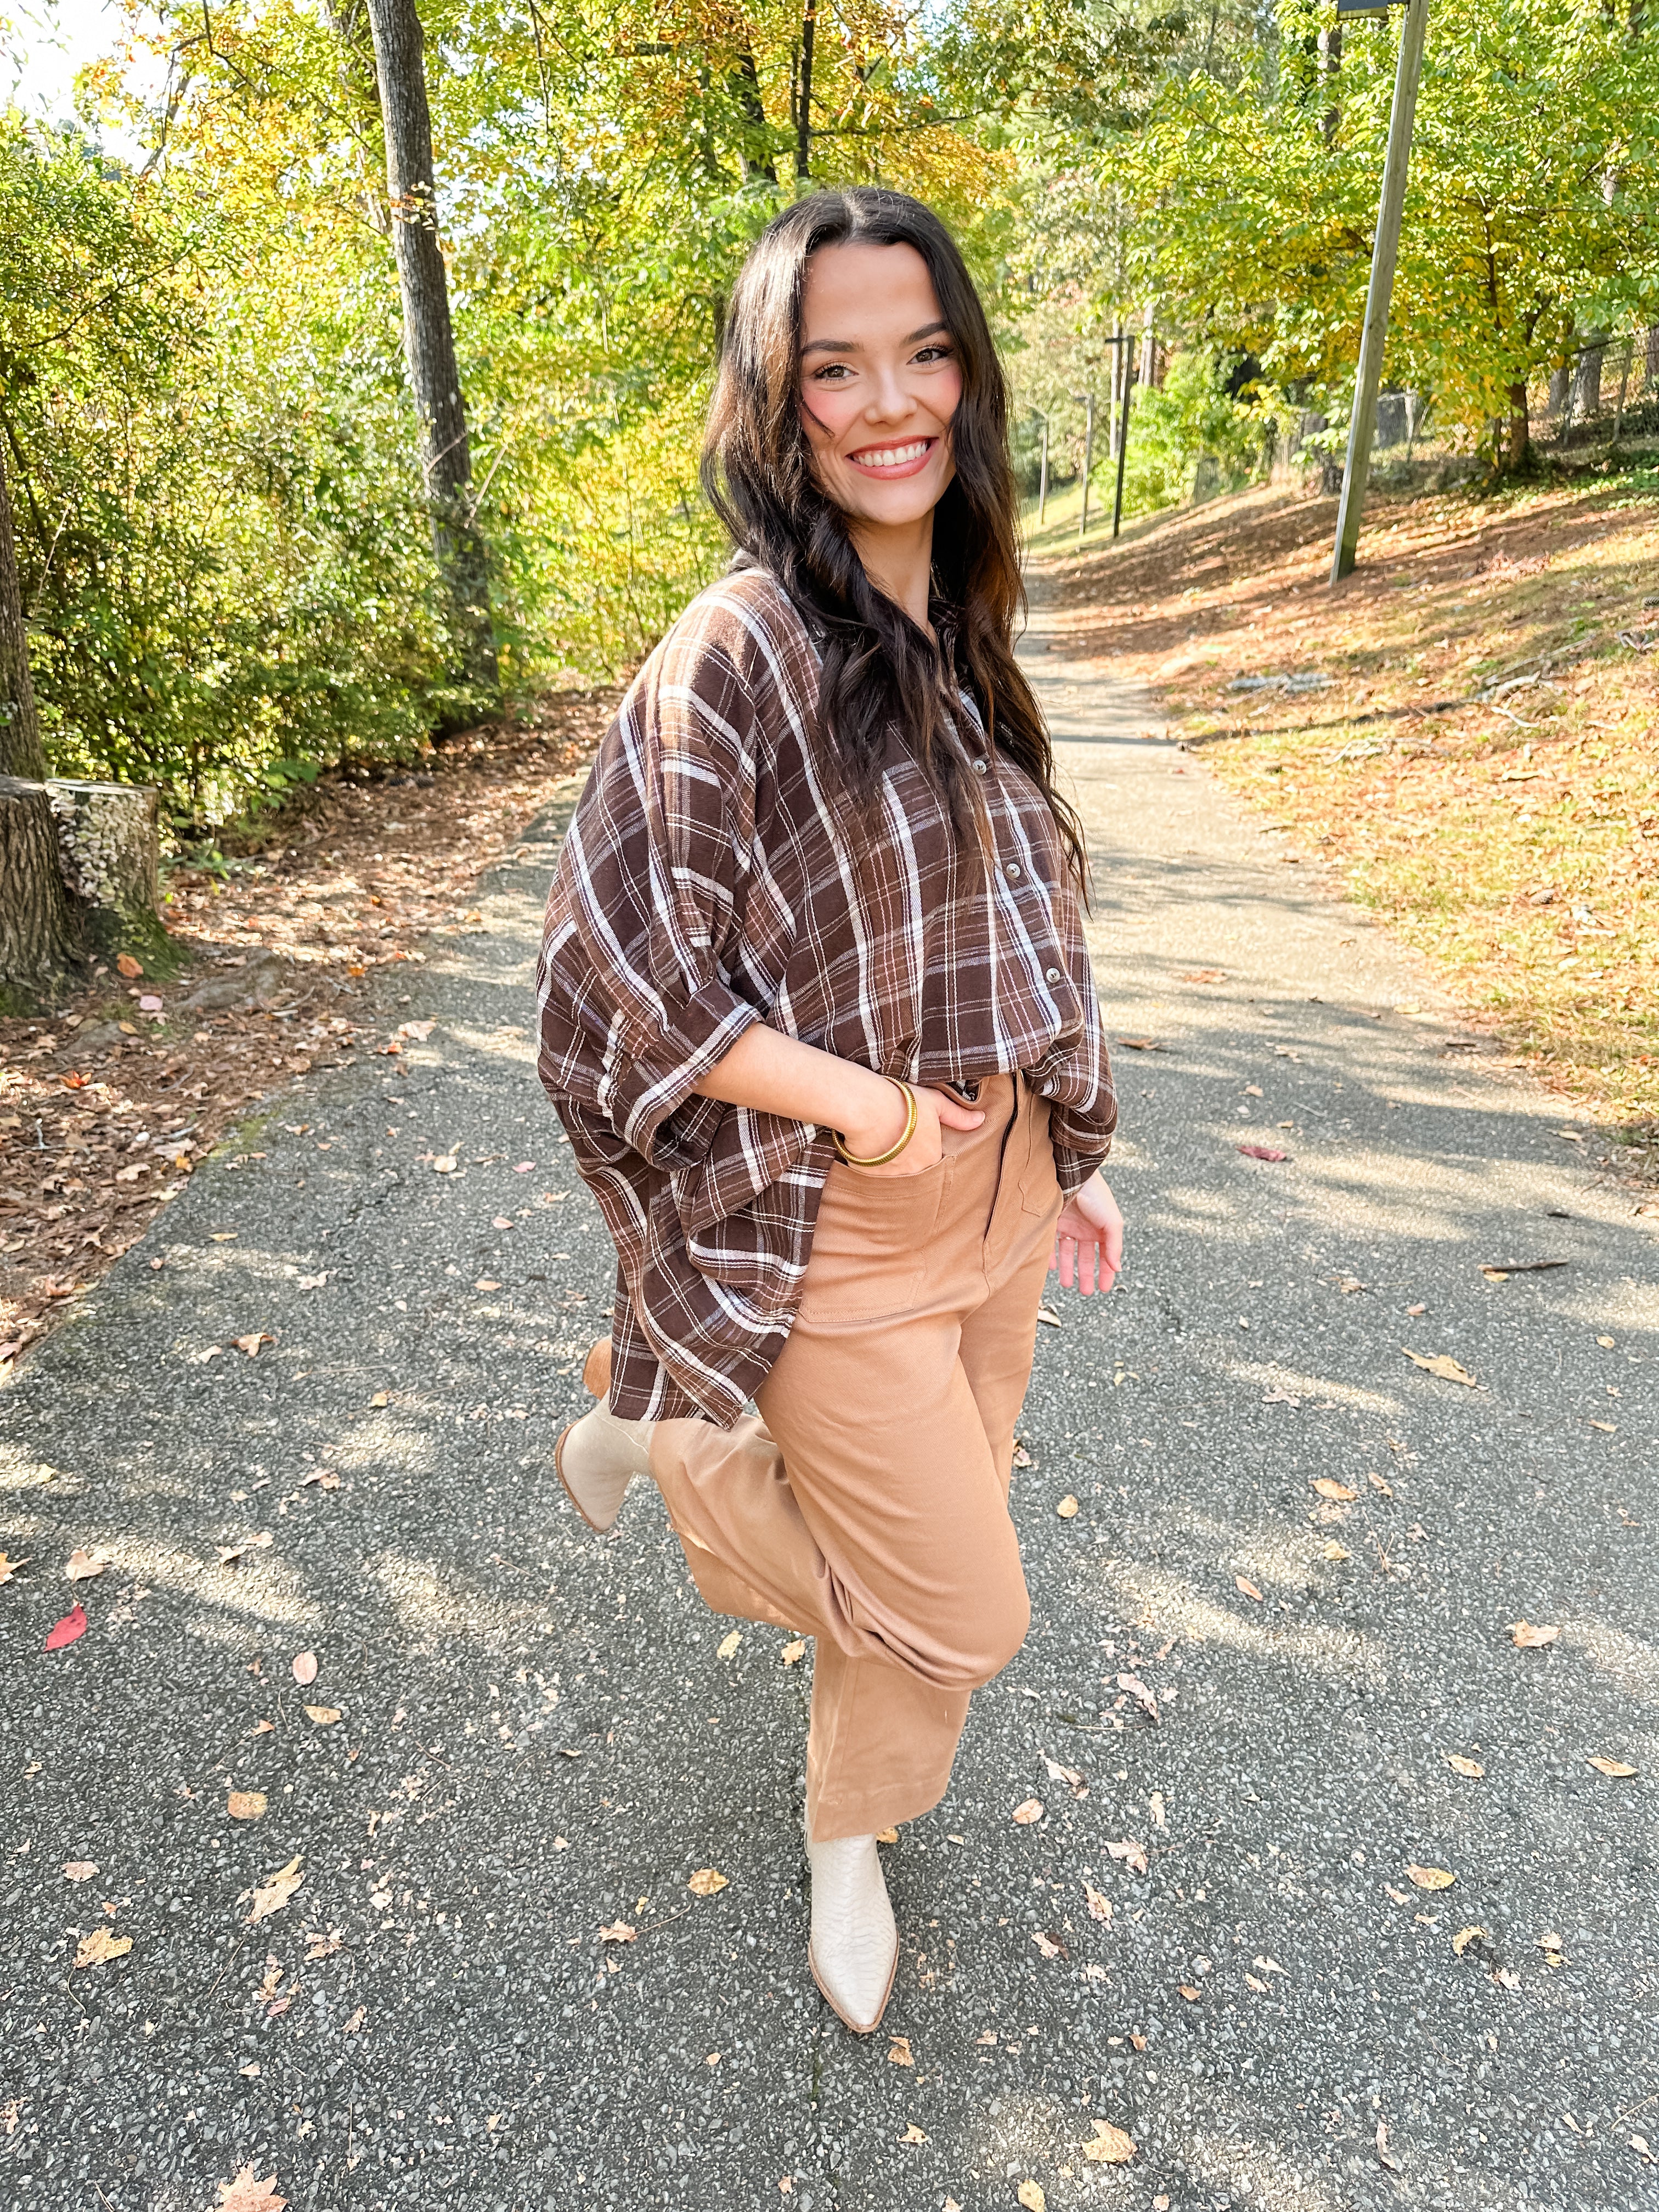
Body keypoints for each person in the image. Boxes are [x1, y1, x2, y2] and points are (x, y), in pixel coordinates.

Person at [535, 186, 1121, 2036]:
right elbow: (616, 965)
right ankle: (687, 1444)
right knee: (967, 1606)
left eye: (925, 353)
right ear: (777, 410)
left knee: (939, 1551)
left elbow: (1004, 902)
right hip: (846, 1210)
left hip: (1006, 1181)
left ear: (971, 375)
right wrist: (860, 1111)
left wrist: (1087, 1151)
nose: (891, 405)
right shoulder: (738, 646)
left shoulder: (956, 612)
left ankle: (845, 1838)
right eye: (835, 369)